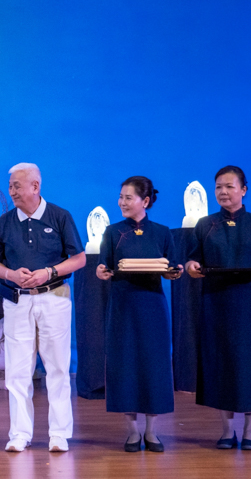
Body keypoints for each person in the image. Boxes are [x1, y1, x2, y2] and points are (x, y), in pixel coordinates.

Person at [0, 162, 86, 453]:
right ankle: (19, 433)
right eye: (10, 186)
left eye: (17, 186)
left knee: (57, 367)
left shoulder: (59, 216)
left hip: (54, 297)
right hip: (17, 301)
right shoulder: (5, 221)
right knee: (17, 370)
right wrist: (10, 274)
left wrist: (48, 272)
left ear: (35, 186)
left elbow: (78, 258)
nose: (12, 191)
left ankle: (59, 433)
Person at [185, 166, 251, 451]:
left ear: (244, 189)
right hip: (217, 301)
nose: (223, 192)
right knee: (222, 363)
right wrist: (192, 268)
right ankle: (227, 430)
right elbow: (193, 260)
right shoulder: (205, 224)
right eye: (218, 187)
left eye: (229, 186)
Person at [96, 176, 182, 453]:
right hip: (123, 306)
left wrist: (175, 272)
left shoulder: (162, 232)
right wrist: (101, 271)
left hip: (152, 306)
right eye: (120, 196)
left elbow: (173, 268)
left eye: (128, 197)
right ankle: (132, 432)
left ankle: (152, 431)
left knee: (153, 366)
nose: (122, 202)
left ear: (145, 201)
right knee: (126, 365)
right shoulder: (112, 232)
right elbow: (104, 266)